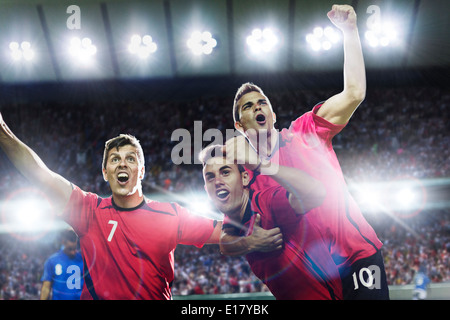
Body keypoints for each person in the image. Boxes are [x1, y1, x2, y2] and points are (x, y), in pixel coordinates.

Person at [229, 4, 389, 299]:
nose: (258, 107)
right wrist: (251, 240)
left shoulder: (306, 131)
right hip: (312, 280)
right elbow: (234, 232)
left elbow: (354, 93)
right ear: (240, 125)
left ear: (273, 114)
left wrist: (350, 32)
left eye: (262, 102)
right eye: (248, 107)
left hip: (357, 255)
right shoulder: (247, 181)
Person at [0, 111, 231, 299]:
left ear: (141, 171)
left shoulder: (170, 215)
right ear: (105, 172)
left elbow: (226, 232)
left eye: (130, 159)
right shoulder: (88, 210)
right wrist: (2, 131)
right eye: (114, 159)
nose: (122, 164)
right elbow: (41, 175)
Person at [200, 143, 343, 299]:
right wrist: (250, 242)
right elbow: (224, 243)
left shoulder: (268, 203)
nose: (217, 181)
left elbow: (317, 193)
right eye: (210, 177)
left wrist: (262, 164)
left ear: (245, 178)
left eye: (225, 172)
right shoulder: (233, 219)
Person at [40, 228, 84, 300]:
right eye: (70, 249)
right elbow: (46, 286)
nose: (73, 252)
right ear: (63, 242)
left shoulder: (83, 260)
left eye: (74, 249)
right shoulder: (52, 261)